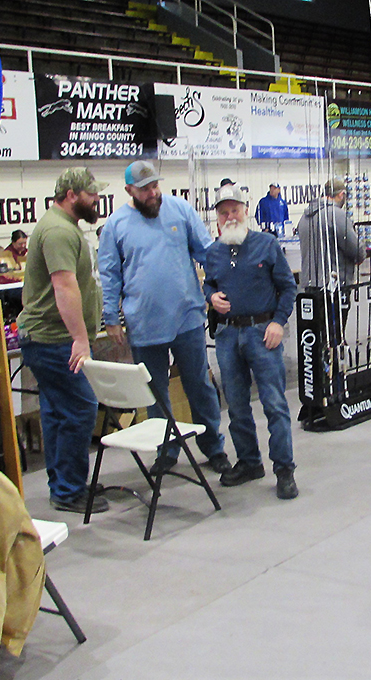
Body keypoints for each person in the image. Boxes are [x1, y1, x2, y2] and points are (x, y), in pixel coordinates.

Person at [98, 160, 230, 475]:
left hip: (187, 317)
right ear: (129, 190)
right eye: (145, 189)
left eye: (155, 185)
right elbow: (110, 274)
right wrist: (110, 318)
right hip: (144, 323)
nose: (153, 193)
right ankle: (167, 450)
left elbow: (207, 253)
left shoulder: (180, 210)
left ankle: (214, 447)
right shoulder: (116, 224)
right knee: (155, 393)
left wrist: (221, 286)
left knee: (199, 384)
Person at [16, 167, 109, 513]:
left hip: (51, 339)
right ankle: (69, 489)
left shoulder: (64, 227)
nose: (97, 199)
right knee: (81, 407)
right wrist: (81, 340)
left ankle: (64, 482)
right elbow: (64, 287)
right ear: (71, 195)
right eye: (91, 194)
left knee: (57, 411)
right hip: (53, 340)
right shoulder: (57, 231)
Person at [204, 185, 299, 499]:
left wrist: (278, 322)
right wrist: (211, 297)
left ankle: (284, 469)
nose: (230, 216)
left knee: (274, 403)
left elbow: (288, 288)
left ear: (246, 211)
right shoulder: (214, 251)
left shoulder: (266, 244)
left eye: (235, 210)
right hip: (228, 336)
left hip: (263, 333)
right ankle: (248, 462)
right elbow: (209, 285)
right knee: (236, 405)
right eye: (223, 212)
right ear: (217, 217)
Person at [298, 177, 365, 290]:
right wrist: (361, 255)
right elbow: (355, 249)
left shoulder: (304, 217)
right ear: (341, 194)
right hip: (332, 285)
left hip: (309, 284)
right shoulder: (337, 215)